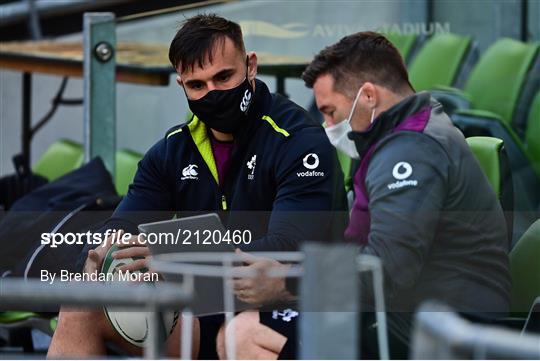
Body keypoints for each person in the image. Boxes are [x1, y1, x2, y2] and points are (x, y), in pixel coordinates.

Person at [47, 14, 346, 359]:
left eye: (223, 77)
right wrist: (103, 255)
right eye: (197, 85)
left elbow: (284, 250)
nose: (213, 94)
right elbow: (121, 226)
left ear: (250, 66)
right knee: (81, 305)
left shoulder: (299, 142)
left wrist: (172, 255)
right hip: (206, 305)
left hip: (296, 302)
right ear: (182, 85)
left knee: (239, 338)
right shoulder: (170, 151)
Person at [221, 32, 511, 359]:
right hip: (406, 311)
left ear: (368, 96)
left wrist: (286, 282)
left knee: (246, 334)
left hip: (440, 329)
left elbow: (387, 268)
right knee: (240, 321)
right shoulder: (411, 127)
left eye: (330, 112)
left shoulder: (411, 152)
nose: (328, 126)